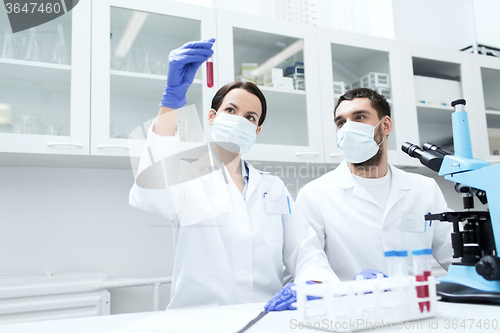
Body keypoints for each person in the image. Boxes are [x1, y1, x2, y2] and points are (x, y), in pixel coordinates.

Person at [129, 38, 339, 309]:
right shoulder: (187, 172)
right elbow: (149, 192)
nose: (240, 120)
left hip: (266, 318)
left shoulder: (273, 187)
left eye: (251, 117)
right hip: (201, 323)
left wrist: (313, 284)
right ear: (212, 116)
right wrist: (171, 103)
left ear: (257, 130)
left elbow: (305, 251)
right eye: (231, 110)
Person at [296, 88, 453, 281]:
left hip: (417, 305)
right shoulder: (314, 195)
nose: (348, 128)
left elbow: (454, 255)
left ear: (385, 125)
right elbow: (309, 260)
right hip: (354, 305)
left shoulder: (425, 189)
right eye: (341, 122)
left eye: (359, 117)